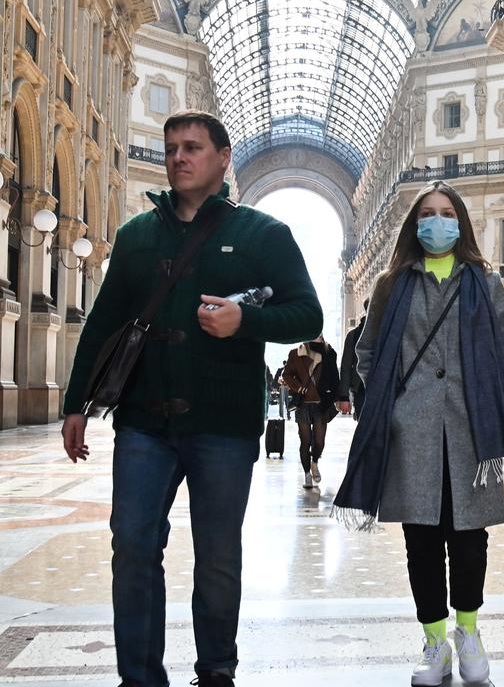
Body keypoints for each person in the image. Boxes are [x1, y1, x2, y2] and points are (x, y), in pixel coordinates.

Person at [59, 110, 323, 687]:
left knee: (219, 555)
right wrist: (76, 404)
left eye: (193, 147)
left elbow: (308, 312)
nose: (180, 157)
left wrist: (245, 319)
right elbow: (103, 324)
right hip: (143, 423)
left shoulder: (262, 234)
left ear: (223, 158)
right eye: (172, 147)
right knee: (132, 544)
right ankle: (140, 677)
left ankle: (216, 670)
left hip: (224, 424)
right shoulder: (136, 236)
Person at [333, 180, 504, 687]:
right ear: (414, 225)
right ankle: (435, 641)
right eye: (426, 214)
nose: (436, 222)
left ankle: (469, 633)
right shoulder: (392, 284)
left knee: (469, 538)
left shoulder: (483, 282)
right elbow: (367, 352)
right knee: (421, 540)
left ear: (459, 222)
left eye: (445, 213)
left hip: (470, 428)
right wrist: (392, 404)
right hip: (411, 429)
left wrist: (494, 405)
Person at [280, 335, 340, 488]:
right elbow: (286, 375)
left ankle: (315, 462)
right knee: (305, 441)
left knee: (319, 441)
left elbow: (334, 377)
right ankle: (307, 474)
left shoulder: (329, 352)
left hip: (322, 403)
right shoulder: (296, 353)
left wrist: (337, 397)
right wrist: (299, 388)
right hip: (303, 404)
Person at [338, 299, 369, 420]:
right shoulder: (354, 335)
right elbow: (346, 367)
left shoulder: (385, 332)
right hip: (360, 388)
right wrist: (344, 397)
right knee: (363, 425)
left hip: (382, 388)